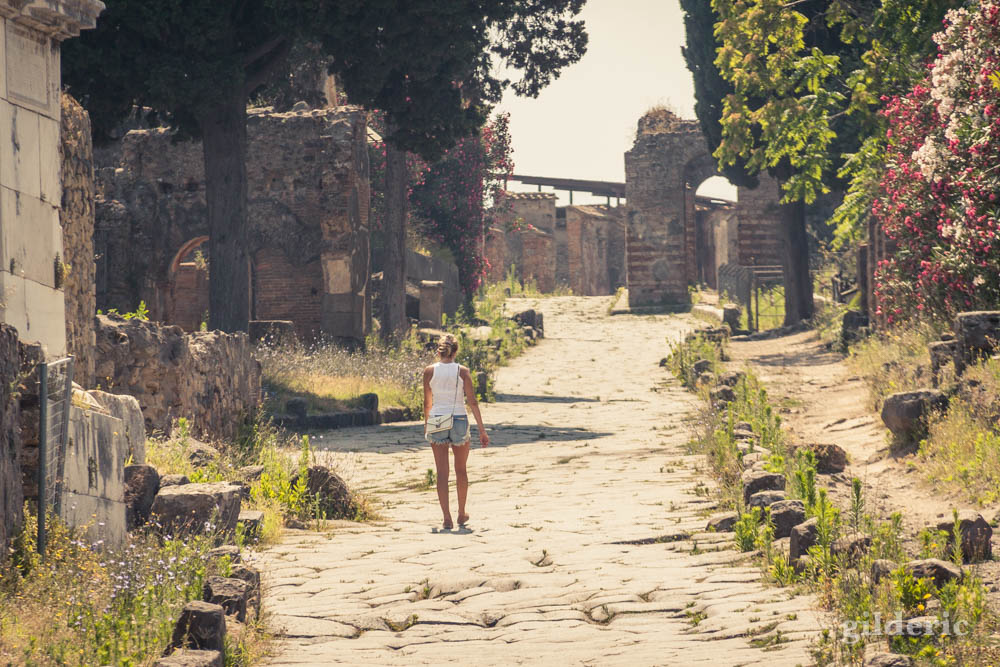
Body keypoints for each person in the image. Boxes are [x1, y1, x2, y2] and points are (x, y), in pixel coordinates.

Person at [423, 333, 489, 529]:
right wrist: (482, 431)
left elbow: (427, 402)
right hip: (459, 418)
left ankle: (446, 517)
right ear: (456, 351)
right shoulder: (463, 371)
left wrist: (428, 425)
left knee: (442, 472)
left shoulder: (429, 371)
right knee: (461, 470)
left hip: (437, 419)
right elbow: (473, 401)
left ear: (439, 351)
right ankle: (461, 513)